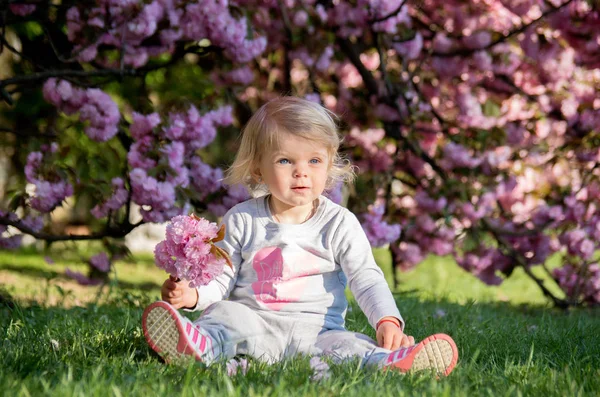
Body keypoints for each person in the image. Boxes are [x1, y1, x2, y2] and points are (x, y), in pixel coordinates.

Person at [142, 96, 458, 376]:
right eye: (285, 160)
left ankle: (391, 362)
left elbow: (366, 277)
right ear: (257, 170)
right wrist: (193, 295)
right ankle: (200, 344)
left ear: (330, 164)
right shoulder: (242, 219)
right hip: (256, 325)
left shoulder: (339, 223)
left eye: (314, 161)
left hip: (317, 334)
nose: (301, 171)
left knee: (347, 346)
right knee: (227, 317)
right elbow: (221, 276)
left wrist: (387, 319)